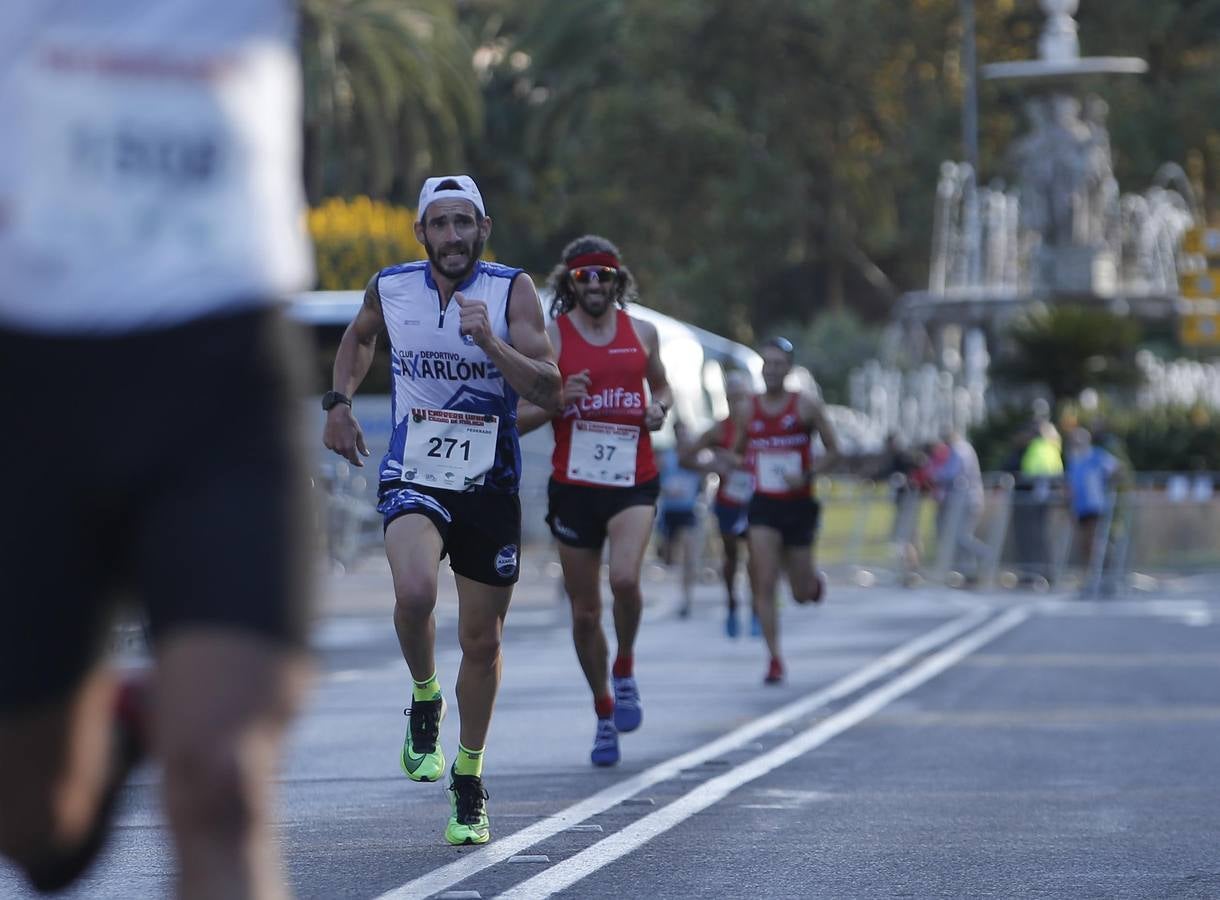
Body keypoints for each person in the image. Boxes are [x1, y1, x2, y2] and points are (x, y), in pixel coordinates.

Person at [0, 4, 316, 897]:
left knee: (224, 780)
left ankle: (172, 728)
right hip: (28, 368)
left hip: (218, 362)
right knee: (32, 828)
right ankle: (121, 728)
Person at [322, 175, 561, 845]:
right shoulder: (390, 285)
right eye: (440, 223)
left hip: (489, 483)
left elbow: (550, 384)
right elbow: (360, 339)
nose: (452, 235)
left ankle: (470, 775)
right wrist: (338, 403)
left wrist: (491, 343)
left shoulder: (511, 290)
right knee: (416, 590)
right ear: (420, 233)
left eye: (464, 223)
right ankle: (425, 693)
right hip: (415, 470)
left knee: (482, 642)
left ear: (482, 229)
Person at [517, 235, 672, 767]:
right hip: (575, 486)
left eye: (604, 274)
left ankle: (624, 667)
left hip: (633, 477)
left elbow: (663, 389)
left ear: (617, 280)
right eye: (585, 276)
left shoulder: (644, 333)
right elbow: (519, 417)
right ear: (570, 282)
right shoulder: (552, 340)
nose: (596, 284)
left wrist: (660, 411)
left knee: (625, 580)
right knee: (585, 613)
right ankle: (604, 711)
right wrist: (561, 399)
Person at [738, 337, 840, 684]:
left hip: (798, 505)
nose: (772, 371)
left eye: (779, 365)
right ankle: (774, 658)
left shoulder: (806, 406)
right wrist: (726, 465)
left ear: (789, 369)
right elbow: (736, 451)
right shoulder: (748, 409)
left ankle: (811, 585)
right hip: (764, 505)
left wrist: (808, 474)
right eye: (767, 365)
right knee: (763, 582)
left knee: (798, 594)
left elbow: (833, 450)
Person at [681, 369, 756, 636]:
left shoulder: (759, 424)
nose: (738, 403)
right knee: (732, 555)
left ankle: (759, 609)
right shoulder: (718, 429)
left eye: (742, 397)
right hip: (728, 500)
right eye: (732, 397)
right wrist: (713, 465)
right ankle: (733, 604)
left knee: (758, 554)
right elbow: (686, 458)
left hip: (757, 499)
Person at [656, 418, 707, 618]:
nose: (682, 436)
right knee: (669, 558)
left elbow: (705, 481)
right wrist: (666, 489)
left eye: (684, 432)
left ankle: (686, 599)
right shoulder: (667, 457)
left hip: (689, 511)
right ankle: (672, 592)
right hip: (670, 511)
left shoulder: (696, 457)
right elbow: (655, 480)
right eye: (678, 432)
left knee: (689, 557)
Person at [1064, 427, 1121, 590]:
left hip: (1094, 505)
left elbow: (1116, 469)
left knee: (1094, 542)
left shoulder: (1096, 455)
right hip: (1079, 508)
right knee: (1084, 545)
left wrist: (1108, 485)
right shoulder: (1073, 459)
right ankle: (1093, 577)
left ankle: (1106, 575)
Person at [932, 430, 990, 584]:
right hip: (964, 499)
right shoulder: (962, 448)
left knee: (961, 537)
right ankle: (968, 571)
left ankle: (987, 555)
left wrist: (935, 475)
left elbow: (951, 473)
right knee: (961, 536)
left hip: (967, 500)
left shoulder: (960, 449)